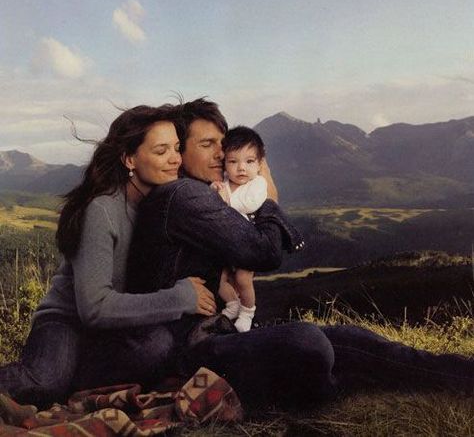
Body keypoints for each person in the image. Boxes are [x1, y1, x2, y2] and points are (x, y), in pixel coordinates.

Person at [127, 97, 474, 408]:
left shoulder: (208, 193)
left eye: (223, 141)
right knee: (307, 341)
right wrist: (269, 195)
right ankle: (332, 386)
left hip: (219, 333)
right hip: (189, 350)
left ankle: (455, 373)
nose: (222, 152)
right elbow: (263, 252)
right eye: (207, 144)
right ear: (180, 153)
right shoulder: (184, 195)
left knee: (349, 337)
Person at [0, 105, 217, 407]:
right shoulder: (102, 210)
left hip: (116, 329)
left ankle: (72, 382)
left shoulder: (167, 199)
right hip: (69, 321)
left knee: (157, 347)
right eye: (161, 151)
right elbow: (95, 307)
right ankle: (59, 380)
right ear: (130, 159)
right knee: (46, 381)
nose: (175, 159)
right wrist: (181, 297)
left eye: (177, 149)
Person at [211, 126, 271, 332]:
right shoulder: (224, 183)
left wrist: (225, 202)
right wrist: (214, 192)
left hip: (247, 241)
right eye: (233, 161)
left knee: (243, 278)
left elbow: (251, 204)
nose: (241, 168)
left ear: (259, 164)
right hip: (225, 243)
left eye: (249, 161)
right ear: (225, 163)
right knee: (219, 278)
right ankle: (232, 303)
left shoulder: (258, 183)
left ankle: (247, 312)